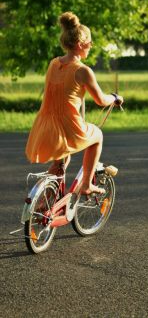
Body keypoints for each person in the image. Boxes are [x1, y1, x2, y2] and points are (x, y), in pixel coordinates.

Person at [25, 11, 123, 195]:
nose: (91, 46)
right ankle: (86, 185)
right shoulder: (83, 71)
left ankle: (44, 203)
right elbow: (101, 100)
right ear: (80, 44)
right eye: (89, 42)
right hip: (68, 125)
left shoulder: (54, 63)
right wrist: (115, 98)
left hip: (46, 124)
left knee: (62, 160)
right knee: (98, 136)